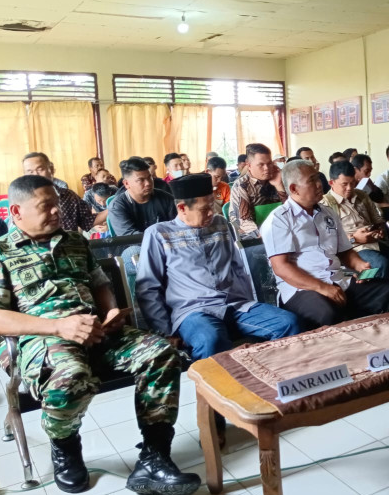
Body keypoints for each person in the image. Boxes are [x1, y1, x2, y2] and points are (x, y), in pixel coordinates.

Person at [0, 175, 200, 495]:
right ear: (17, 212)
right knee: (71, 377)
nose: (55, 212)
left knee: (160, 353)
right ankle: (65, 447)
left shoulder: (74, 242)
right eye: (45, 207)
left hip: (96, 331)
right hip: (44, 339)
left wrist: (109, 313)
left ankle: (155, 456)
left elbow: (101, 284)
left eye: (56, 205)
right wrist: (58, 327)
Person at [136, 174, 301, 361]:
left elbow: (238, 268)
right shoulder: (159, 234)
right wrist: (164, 332)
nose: (211, 213)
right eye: (204, 209)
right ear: (182, 208)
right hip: (193, 311)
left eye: (212, 206)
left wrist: (250, 303)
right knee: (211, 339)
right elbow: (148, 289)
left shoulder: (220, 224)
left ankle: (275, 380)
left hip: (235, 305)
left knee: (289, 323)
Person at [261, 160, 389, 330]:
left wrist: (360, 266)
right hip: (301, 289)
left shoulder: (328, 213)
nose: (319, 184)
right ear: (294, 189)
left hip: (338, 282)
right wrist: (323, 288)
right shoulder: (279, 219)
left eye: (318, 178)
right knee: (328, 313)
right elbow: (281, 268)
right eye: (311, 180)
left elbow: (345, 252)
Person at [319, 160, 389, 277]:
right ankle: (375, 292)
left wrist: (380, 231)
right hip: (353, 249)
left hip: (376, 243)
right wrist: (355, 239)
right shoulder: (325, 204)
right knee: (381, 264)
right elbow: (329, 241)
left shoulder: (361, 195)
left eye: (352, 183)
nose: (349, 188)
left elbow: (378, 220)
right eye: (344, 184)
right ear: (331, 182)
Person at [22, 152, 107, 232]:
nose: (35, 175)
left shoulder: (69, 196)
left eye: (40, 169)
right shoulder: (21, 200)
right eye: (30, 172)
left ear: (51, 170)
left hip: (68, 247)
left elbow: (87, 221)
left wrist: (112, 208)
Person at [230, 143, 287, 239]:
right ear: (249, 165)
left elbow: (291, 209)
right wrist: (265, 235)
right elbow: (244, 221)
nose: (267, 168)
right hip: (255, 236)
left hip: (281, 231)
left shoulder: (278, 178)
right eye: (261, 165)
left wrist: (279, 185)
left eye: (269, 163)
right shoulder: (241, 186)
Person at [109, 158, 176, 236]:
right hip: (134, 245)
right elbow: (129, 237)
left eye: (149, 178)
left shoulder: (167, 198)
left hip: (164, 242)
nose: (148, 183)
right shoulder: (117, 206)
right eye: (141, 180)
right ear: (126, 183)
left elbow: (176, 226)